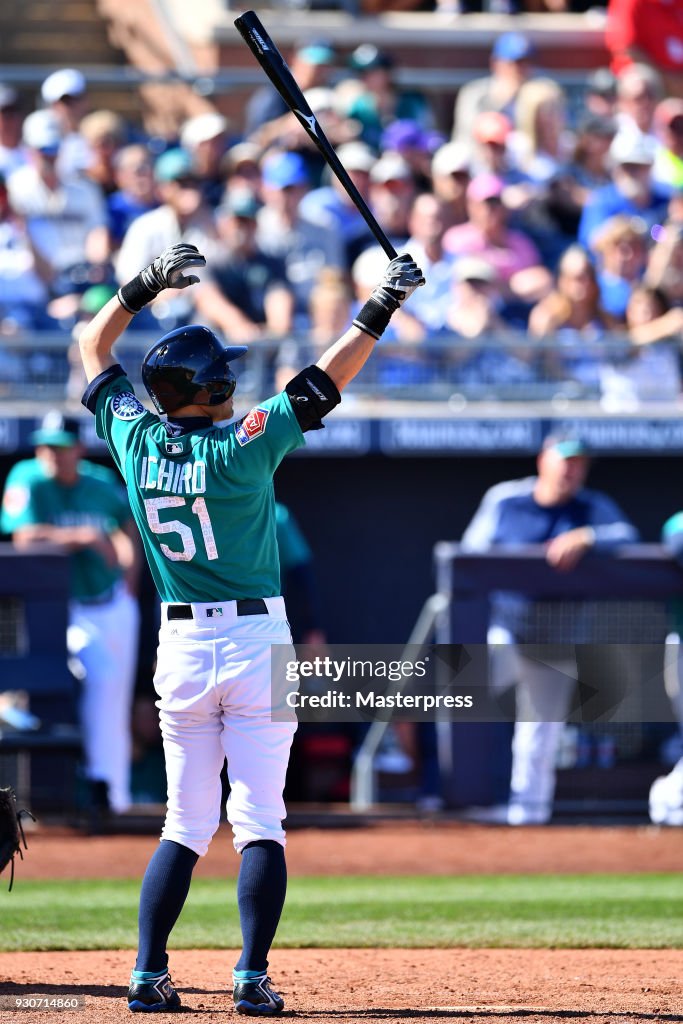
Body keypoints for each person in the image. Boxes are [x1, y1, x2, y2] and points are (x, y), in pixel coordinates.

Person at [76, 241, 424, 1012]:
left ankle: (146, 972)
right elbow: (323, 380)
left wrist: (141, 286)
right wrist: (381, 303)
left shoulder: (132, 439)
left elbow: (88, 344)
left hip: (179, 644)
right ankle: (249, 976)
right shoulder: (242, 446)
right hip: (251, 637)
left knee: (184, 821)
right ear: (211, 386)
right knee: (259, 817)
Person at [460, 433, 639, 825]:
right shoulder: (506, 499)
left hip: (557, 636)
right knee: (459, 700)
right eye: (565, 460)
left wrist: (587, 535)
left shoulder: (592, 506)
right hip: (503, 626)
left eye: (579, 463)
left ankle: (528, 822)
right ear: (544, 460)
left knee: (538, 736)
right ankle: (452, 805)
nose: (572, 469)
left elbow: (627, 536)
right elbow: (470, 552)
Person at [0, 411, 141, 821]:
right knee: (34, 692)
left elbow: (130, 528)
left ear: (78, 448)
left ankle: (111, 800)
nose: (51, 454)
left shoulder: (98, 482)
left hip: (103, 603)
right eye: (45, 445)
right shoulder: (27, 478)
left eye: (60, 446)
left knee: (108, 705)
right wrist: (84, 537)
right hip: (51, 611)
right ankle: (38, 797)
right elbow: (25, 538)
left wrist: (129, 581)